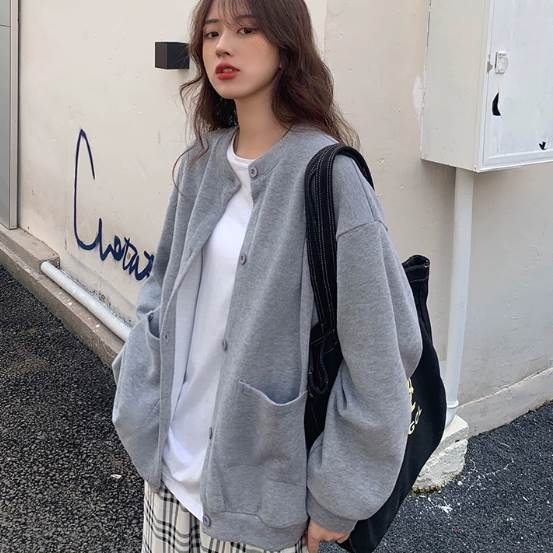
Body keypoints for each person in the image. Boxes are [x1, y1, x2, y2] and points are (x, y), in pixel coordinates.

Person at [111, 1, 423, 552]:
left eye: (246, 29)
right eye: (211, 33)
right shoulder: (202, 163)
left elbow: (383, 350)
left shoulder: (330, 178)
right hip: (168, 473)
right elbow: (160, 288)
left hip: (263, 502)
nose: (222, 47)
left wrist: (339, 496)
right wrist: (137, 388)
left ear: (286, 45)